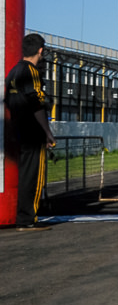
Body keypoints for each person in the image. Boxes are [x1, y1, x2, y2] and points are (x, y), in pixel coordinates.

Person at [4, 33, 57, 231]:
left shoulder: (13, 71)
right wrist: (47, 132)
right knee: (34, 176)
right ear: (40, 50)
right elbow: (37, 103)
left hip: (16, 129)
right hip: (32, 131)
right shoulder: (31, 71)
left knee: (24, 174)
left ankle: (23, 216)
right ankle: (27, 218)